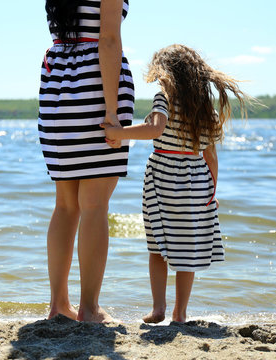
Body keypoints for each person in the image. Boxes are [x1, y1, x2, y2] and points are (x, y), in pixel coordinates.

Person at [102, 44, 255, 323]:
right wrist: (212, 193)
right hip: (196, 180)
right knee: (189, 249)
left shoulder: (164, 98)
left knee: (157, 247)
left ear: (166, 74)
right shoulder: (201, 107)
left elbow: (155, 129)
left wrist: (119, 132)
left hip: (162, 176)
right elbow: (211, 156)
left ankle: (158, 307)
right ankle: (180, 313)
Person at [38, 0, 134, 323]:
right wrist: (111, 110)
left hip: (57, 87)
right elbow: (108, 40)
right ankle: (89, 309)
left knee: (65, 205)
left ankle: (58, 305)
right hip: (95, 84)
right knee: (94, 205)